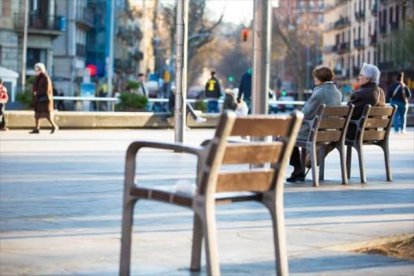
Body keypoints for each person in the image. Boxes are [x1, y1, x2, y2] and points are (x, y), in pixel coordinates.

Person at [287, 65, 342, 182]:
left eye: (315, 77)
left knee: (289, 135)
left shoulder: (319, 93)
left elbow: (305, 114)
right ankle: (299, 169)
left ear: (319, 79)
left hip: (316, 131)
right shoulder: (338, 93)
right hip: (332, 132)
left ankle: (297, 170)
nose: (314, 79)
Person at [347, 63, 386, 139]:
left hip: (357, 133)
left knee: (332, 133)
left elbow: (348, 113)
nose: (358, 77)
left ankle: (319, 151)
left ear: (368, 79)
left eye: (361, 75)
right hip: (374, 132)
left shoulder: (360, 94)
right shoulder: (381, 92)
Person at [30, 63, 59, 134]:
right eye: (36, 69)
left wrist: (37, 92)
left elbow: (47, 88)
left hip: (44, 100)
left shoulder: (45, 77)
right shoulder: (38, 77)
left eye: (37, 69)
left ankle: (54, 126)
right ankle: (37, 128)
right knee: (37, 115)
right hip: (39, 99)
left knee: (47, 115)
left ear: (41, 69)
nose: (36, 70)